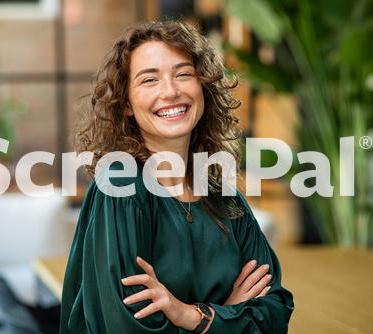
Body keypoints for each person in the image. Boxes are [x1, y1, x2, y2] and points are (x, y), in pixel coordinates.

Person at [60, 21, 294, 333]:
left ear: (203, 88)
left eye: (183, 74)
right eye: (149, 80)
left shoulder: (222, 195)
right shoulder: (122, 185)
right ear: (126, 103)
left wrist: (191, 315)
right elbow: (126, 327)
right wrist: (229, 314)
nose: (170, 91)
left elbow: (275, 311)